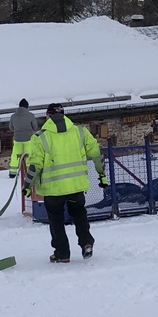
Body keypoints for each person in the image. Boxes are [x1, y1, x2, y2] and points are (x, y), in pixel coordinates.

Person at [24, 103, 108, 263]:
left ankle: (62, 254)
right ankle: (86, 243)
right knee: (79, 214)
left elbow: (35, 165)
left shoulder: (40, 137)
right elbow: (96, 154)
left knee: (56, 219)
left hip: (53, 189)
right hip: (76, 186)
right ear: (64, 114)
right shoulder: (80, 132)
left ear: (48, 116)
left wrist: (27, 186)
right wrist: (101, 175)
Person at [8, 98, 38, 177]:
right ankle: (29, 171)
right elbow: (35, 127)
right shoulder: (31, 115)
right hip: (28, 139)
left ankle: (12, 173)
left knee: (15, 155)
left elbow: (11, 127)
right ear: (27, 107)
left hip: (17, 139)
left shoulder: (13, 116)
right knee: (29, 155)